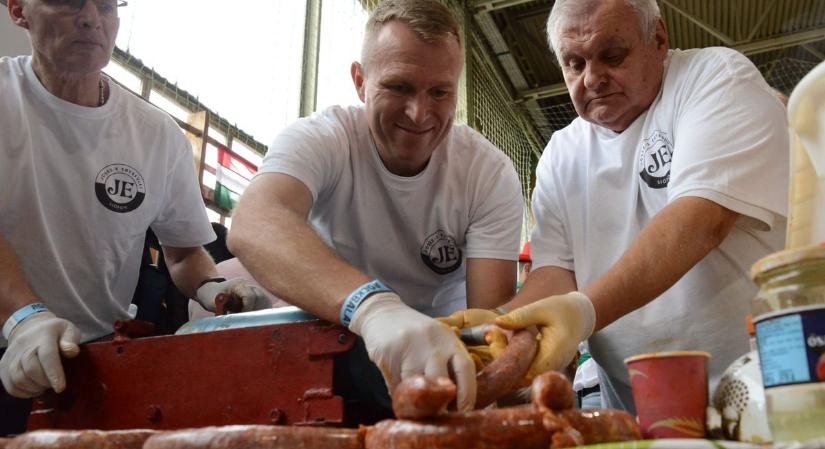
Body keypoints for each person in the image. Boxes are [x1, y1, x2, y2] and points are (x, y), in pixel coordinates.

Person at [444, 0, 788, 413]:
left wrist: (583, 311)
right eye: (574, 63)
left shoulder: (715, 78)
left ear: (658, 39)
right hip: (634, 410)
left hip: (761, 391)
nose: (593, 78)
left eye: (612, 55)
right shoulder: (561, 153)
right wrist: (497, 325)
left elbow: (700, 220)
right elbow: (557, 274)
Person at [228, 0, 523, 415]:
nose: (419, 113)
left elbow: (488, 320)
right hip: (331, 351)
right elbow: (254, 223)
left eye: (439, 92)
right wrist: (372, 307)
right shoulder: (325, 138)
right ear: (360, 81)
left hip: (440, 368)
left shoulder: (487, 174)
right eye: (399, 87)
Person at [0, 0, 266, 435]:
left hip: (95, 367)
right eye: (68, 2)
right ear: (17, 11)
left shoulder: (156, 134)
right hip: (9, 344)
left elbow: (182, 255)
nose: (90, 18)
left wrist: (214, 286)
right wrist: (23, 320)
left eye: (106, 4)